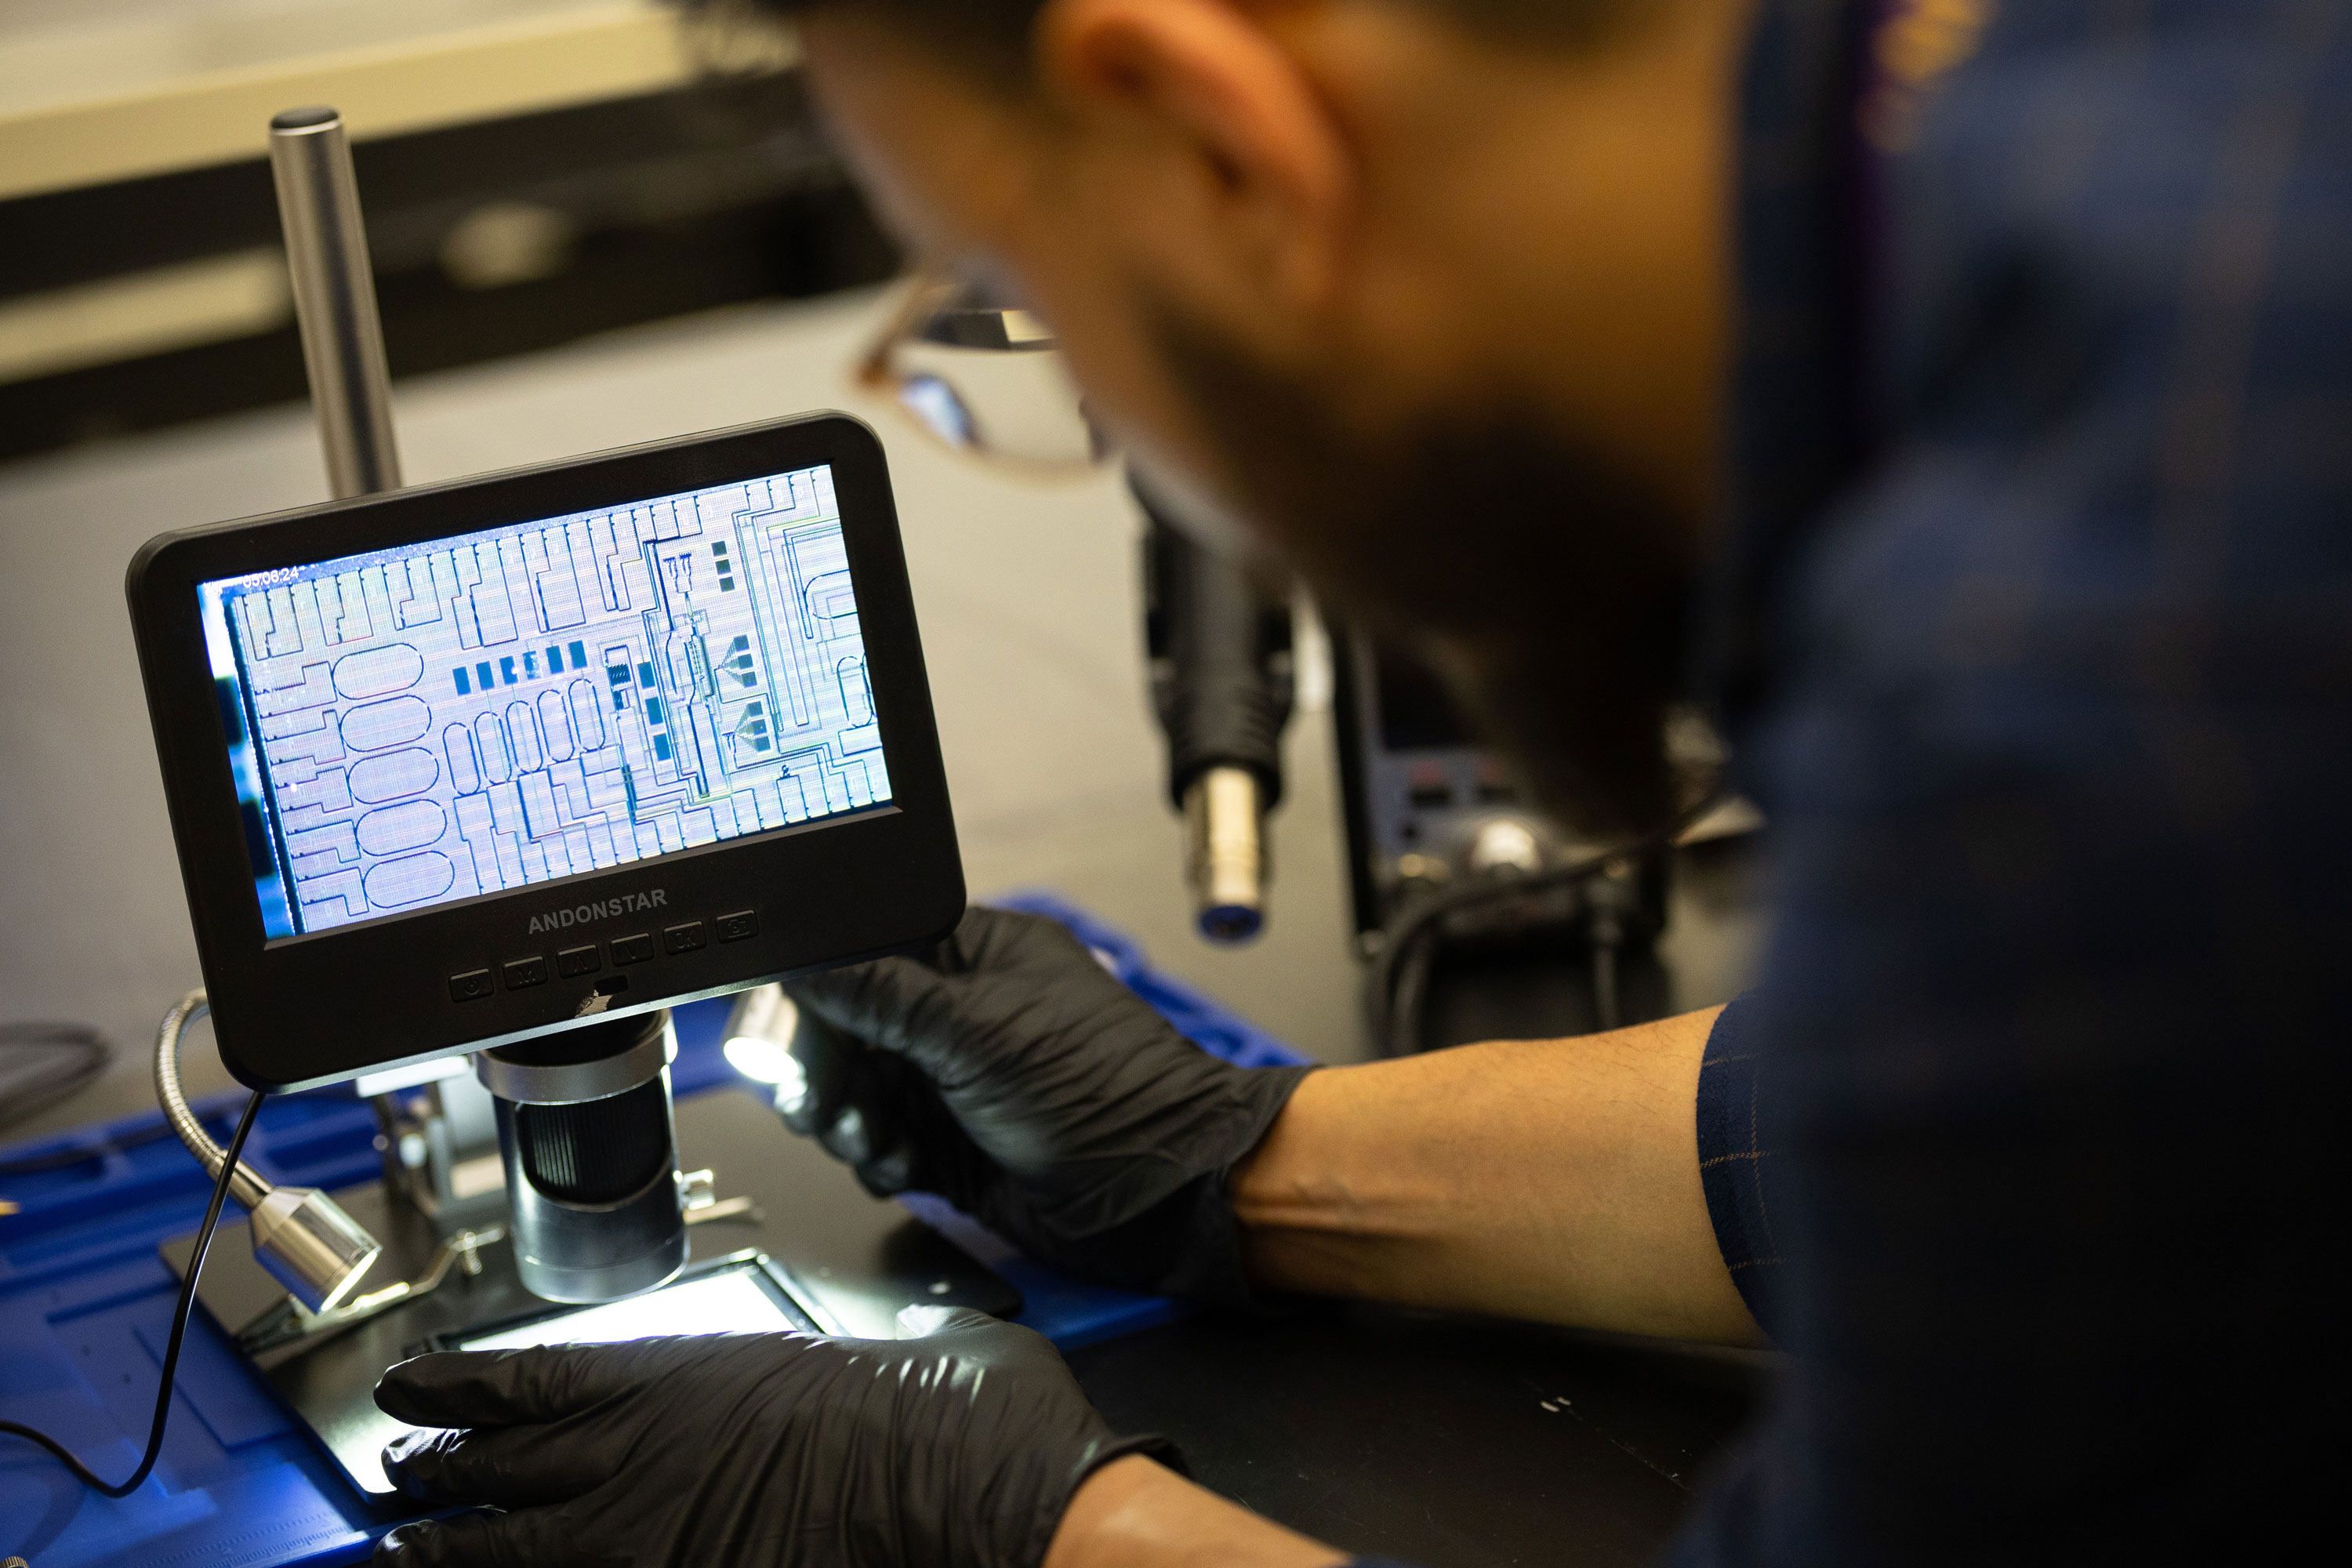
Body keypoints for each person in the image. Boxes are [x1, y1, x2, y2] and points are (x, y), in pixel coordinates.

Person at [368, 2, 2352, 1564]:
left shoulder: (2103, 668)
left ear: (1222, 138)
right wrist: (1254, 1162)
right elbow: (2118, 1114)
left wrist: (1034, 1526)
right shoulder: (2158, 122)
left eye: (1035, 313)